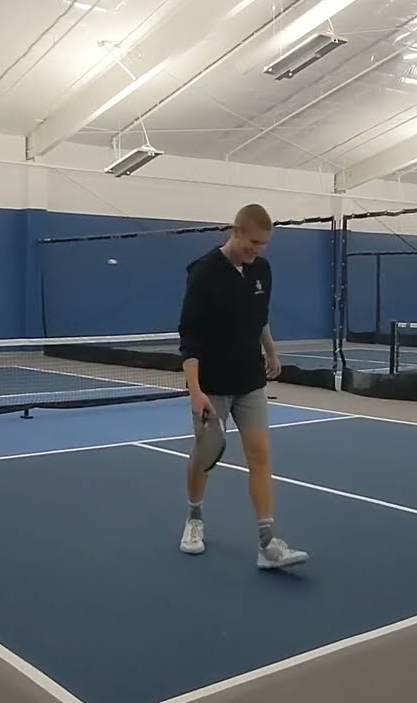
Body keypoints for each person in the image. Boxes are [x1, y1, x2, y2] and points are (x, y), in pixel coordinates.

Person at [176, 203, 307, 569]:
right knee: (203, 458)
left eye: (264, 244)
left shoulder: (262, 270)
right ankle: (194, 519)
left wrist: (271, 352)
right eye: (253, 242)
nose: (257, 250)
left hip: (249, 380)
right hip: (212, 384)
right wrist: (195, 391)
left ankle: (268, 545)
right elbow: (189, 337)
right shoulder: (202, 274)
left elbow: (259, 318)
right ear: (236, 231)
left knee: (261, 455)